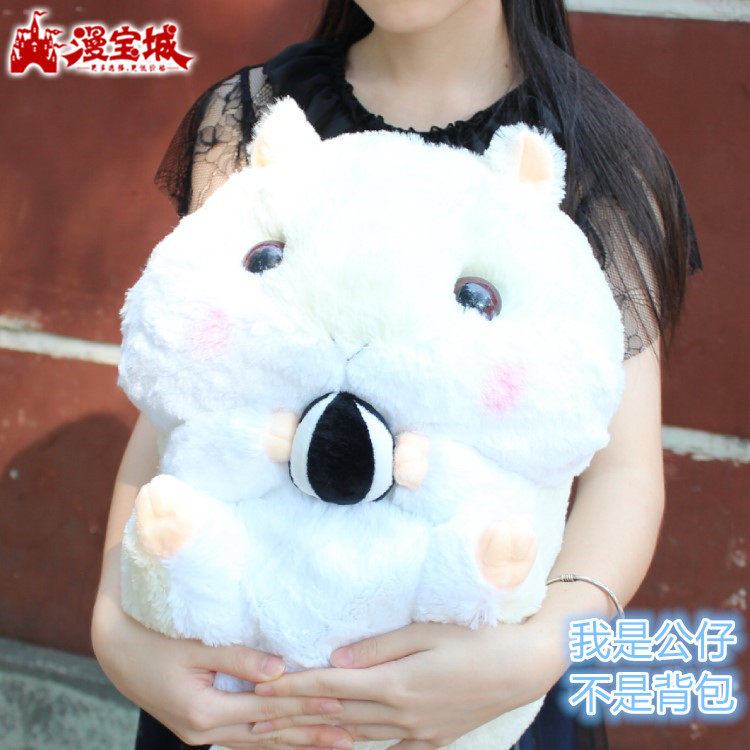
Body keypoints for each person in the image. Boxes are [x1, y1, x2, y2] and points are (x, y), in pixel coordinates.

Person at [91, 1, 703, 749]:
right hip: (239, 699)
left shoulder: (594, 158)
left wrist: (538, 652)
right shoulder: (256, 118)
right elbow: (187, 398)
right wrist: (114, 626)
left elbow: (624, 471)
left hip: (476, 703)